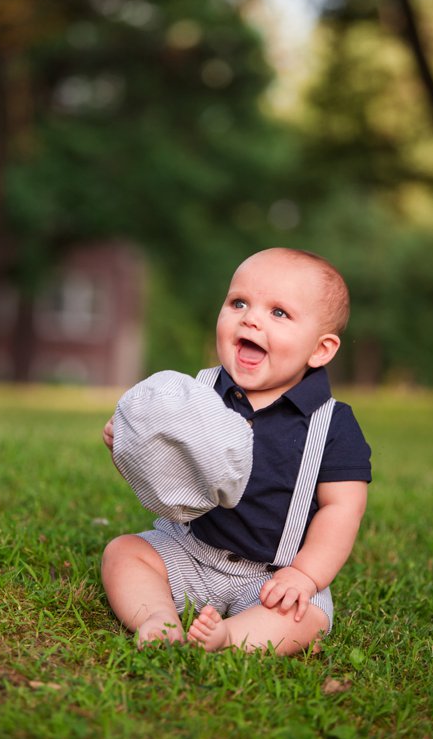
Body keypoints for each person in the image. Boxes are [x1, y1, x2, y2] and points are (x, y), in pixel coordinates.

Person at [101, 248, 371, 653]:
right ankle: (157, 616)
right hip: (190, 550)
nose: (251, 317)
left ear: (320, 350)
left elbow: (342, 509)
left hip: (270, 576)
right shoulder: (197, 395)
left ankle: (231, 636)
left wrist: (305, 575)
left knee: (307, 619)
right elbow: (165, 476)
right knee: (124, 553)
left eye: (279, 313)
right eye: (238, 302)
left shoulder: (332, 423)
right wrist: (131, 445)